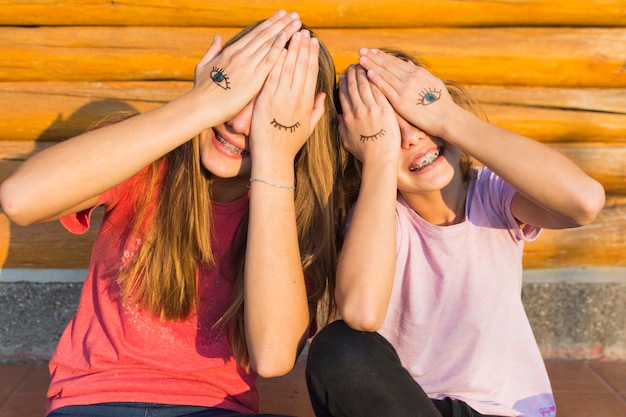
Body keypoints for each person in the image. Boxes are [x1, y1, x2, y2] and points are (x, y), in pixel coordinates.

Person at [0, 10, 344, 417]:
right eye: (237, 94)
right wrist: (201, 104)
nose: (237, 121)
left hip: (215, 406)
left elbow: (272, 356)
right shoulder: (144, 159)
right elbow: (19, 198)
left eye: (268, 107)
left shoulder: (296, 215)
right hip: (96, 397)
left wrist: (276, 157)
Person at [305, 48, 605, 417]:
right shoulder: (379, 216)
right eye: (387, 133)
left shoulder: (491, 193)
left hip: (504, 410)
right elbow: (361, 313)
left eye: (418, 115)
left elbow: (585, 202)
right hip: (414, 407)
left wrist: (446, 117)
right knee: (336, 348)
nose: (412, 138)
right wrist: (380, 160)